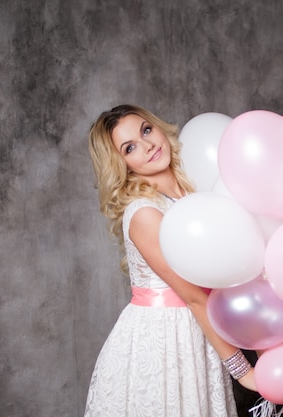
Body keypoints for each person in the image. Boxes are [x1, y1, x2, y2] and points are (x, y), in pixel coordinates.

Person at [84, 104, 257, 417]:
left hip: (201, 331)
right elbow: (193, 297)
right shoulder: (144, 213)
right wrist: (244, 372)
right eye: (130, 147)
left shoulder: (195, 192)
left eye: (146, 130)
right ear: (121, 164)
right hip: (165, 340)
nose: (148, 145)